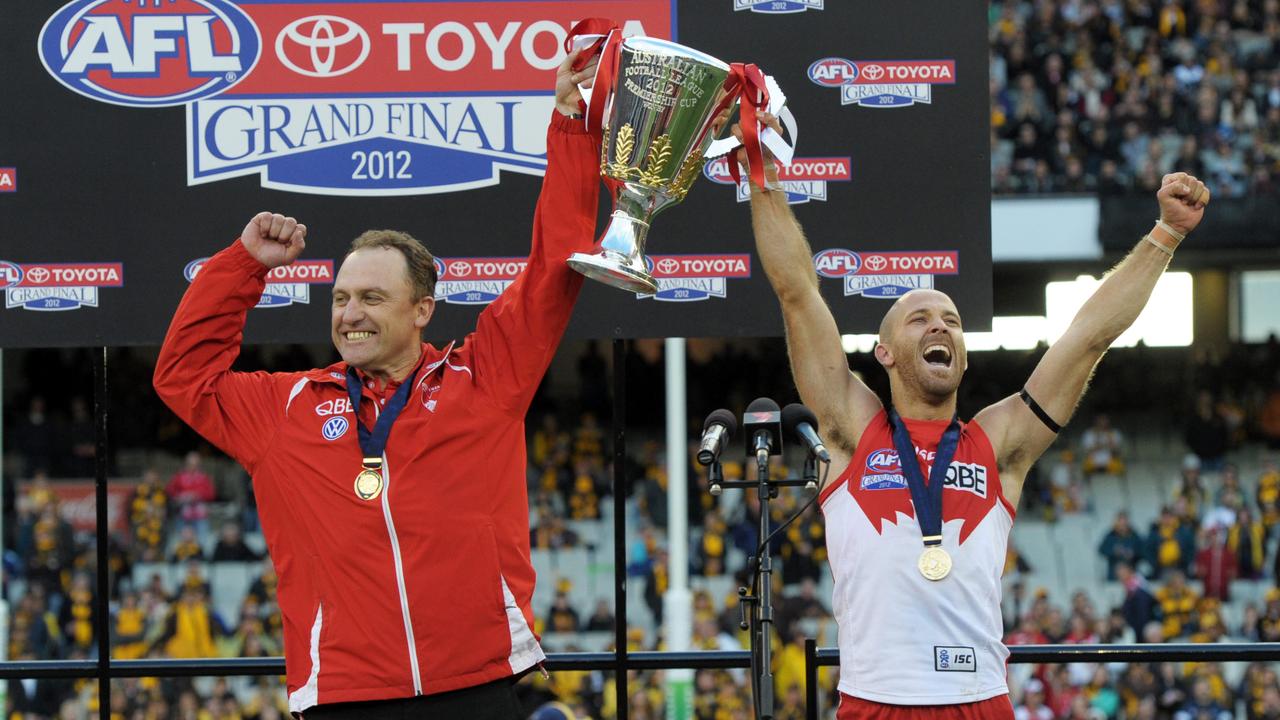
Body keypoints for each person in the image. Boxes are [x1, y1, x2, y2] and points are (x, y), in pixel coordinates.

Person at [153, 51, 601, 718]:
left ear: (422, 310)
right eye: (339, 299)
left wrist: (570, 125)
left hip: (478, 684)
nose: (349, 313)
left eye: (370, 297)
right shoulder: (288, 407)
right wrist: (243, 266)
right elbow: (184, 375)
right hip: (345, 697)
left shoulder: (484, 379)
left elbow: (552, 271)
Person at [740, 111, 1210, 718]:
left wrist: (1166, 235)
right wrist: (759, 174)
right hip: (873, 702)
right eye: (920, 319)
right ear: (883, 352)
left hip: (979, 701)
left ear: (962, 357)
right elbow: (798, 290)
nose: (941, 325)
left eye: (952, 322)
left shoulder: (999, 438)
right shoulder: (853, 431)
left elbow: (1086, 339)